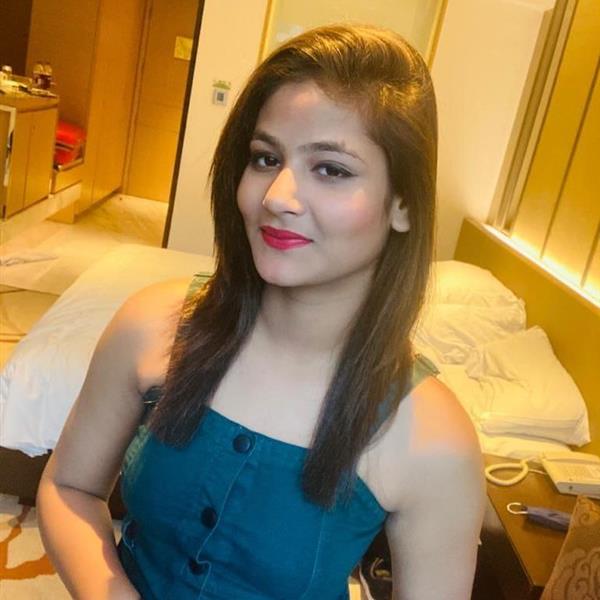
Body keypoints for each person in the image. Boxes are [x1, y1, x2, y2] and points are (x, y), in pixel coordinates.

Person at [37, 24, 485, 599]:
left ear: (403, 204)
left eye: (331, 169)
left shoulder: (433, 439)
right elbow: (69, 487)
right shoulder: (154, 324)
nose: (277, 197)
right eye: (266, 158)